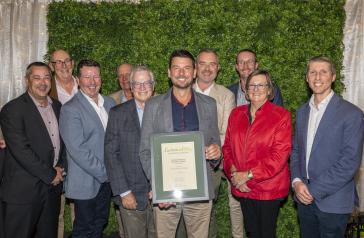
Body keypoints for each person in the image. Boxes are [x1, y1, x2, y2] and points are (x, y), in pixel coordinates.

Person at [139, 49, 221, 238]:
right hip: (167, 194)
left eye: (186, 68)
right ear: (168, 72)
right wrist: (160, 187)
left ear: (194, 73)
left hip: (200, 193)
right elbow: (145, 151)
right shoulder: (153, 105)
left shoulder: (209, 104)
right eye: (176, 68)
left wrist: (216, 153)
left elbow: (214, 142)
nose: (181, 73)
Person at [290, 56, 364, 238]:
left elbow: (349, 163)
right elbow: (296, 151)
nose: (317, 77)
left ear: (333, 77)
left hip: (333, 202)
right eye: (312, 72)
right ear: (306, 78)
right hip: (304, 200)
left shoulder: (352, 114)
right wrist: (297, 182)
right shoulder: (302, 112)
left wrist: (313, 190)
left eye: (323, 72)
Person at [0, 62, 66, 238]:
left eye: (46, 77)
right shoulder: (12, 110)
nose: (42, 82)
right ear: (27, 80)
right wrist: (51, 174)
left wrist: (60, 168)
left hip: (52, 191)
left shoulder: (58, 107)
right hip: (23, 193)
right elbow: (21, 150)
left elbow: (64, 143)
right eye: (36, 78)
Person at [223, 70, 292, 238]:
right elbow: (227, 148)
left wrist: (247, 175)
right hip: (243, 187)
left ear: (269, 90)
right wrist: (234, 175)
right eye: (252, 85)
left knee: (266, 234)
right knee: (252, 232)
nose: (256, 89)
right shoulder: (236, 114)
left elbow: (279, 156)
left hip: (268, 188)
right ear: (246, 90)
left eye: (261, 85)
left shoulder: (281, 116)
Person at [59, 59, 115, 237]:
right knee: (84, 228)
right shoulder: (70, 109)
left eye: (96, 76)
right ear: (78, 79)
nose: (92, 81)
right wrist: (105, 172)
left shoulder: (109, 103)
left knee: (100, 223)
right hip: (86, 181)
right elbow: (77, 149)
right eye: (87, 77)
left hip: (108, 180)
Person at [105, 65, 156, 238]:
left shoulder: (165, 111)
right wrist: (124, 192)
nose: (142, 87)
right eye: (137, 83)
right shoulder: (118, 114)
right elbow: (111, 155)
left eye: (146, 83)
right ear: (131, 87)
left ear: (153, 85)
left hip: (161, 196)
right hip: (131, 195)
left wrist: (163, 187)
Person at [193, 48, 235, 238]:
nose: (207, 69)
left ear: (218, 69)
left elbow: (227, 133)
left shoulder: (226, 96)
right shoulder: (181, 89)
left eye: (212, 64)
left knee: (205, 213)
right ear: (195, 67)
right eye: (203, 63)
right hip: (180, 163)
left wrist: (214, 150)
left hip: (211, 165)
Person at [49, 48, 78, 238]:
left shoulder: (85, 83)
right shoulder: (45, 87)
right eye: (58, 62)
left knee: (81, 210)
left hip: (80, 159)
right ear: (52, 66)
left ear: (72, 63)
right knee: (55, 213)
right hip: (56, 159)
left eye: (66, 61)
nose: (63, 65)